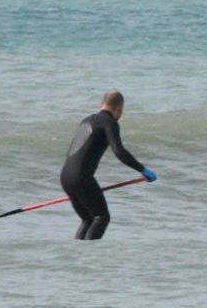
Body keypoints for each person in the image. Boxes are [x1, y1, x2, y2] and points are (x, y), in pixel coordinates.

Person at [60, 90, 157, 240]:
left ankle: (78, 255)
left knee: (88, 219)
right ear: (119, 108)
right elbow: (119, 152)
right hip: (81, 177)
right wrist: (143, 169)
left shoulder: (86, 120)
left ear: (101, 104)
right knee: (101, 217)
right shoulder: (109, 122)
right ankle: (91, 258)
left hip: (65, 176)